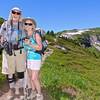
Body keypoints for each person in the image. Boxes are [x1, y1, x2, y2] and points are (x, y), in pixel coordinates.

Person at [0, 7, 26, 100]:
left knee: (20, 71)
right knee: (9, 71)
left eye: (18, 13)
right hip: (8, 51)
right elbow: (1, 36)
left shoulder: (23, 25)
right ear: (11, 13)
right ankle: (11, 90)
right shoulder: (5, 24)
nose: (15, 14)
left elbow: (27, 37)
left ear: (20, 15)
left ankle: (20, 89)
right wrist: (3, 44)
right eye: (14, 12)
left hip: (19, 50)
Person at [23, 17, 43, 100]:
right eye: (26, 24)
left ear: (33, 26)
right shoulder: (25, 36)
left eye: (30, 24)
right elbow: (24, 49)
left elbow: (40, 47)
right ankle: (33, 91)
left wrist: (30, 44)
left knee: (34, 78)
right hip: (28, 59)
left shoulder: (36, 34)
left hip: (36, 58)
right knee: (30, 77)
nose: (27, 25)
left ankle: (39, 94)